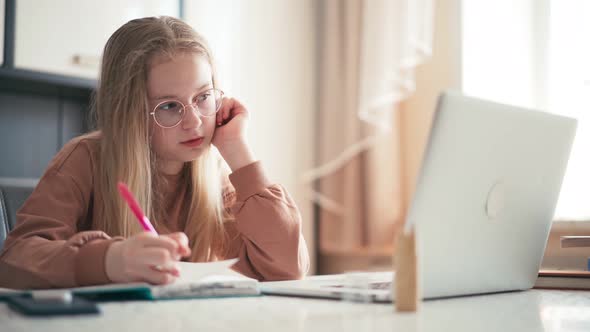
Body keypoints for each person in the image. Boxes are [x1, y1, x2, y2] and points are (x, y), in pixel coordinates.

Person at [0, 16, 309, 289]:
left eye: (203, 97)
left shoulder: (212, 172)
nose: (194, 122)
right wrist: (109, 261)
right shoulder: (85, 159)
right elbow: (14, 261)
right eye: (170, 106)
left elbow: (287, 268)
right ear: (129, 112)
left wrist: (237, 151)